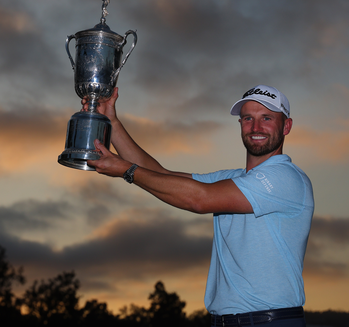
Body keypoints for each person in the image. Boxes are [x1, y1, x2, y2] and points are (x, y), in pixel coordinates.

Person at [85, 84, 314, 327]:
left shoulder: (286, 178)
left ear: (286, 126)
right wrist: (112, 122)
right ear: (240, 124)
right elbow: (159, 174)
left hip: (271, 321)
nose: (256, 127)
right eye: (248, 118)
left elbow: (199, 199)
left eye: (266, 118)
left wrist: (127, 171)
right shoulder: (235, 179)